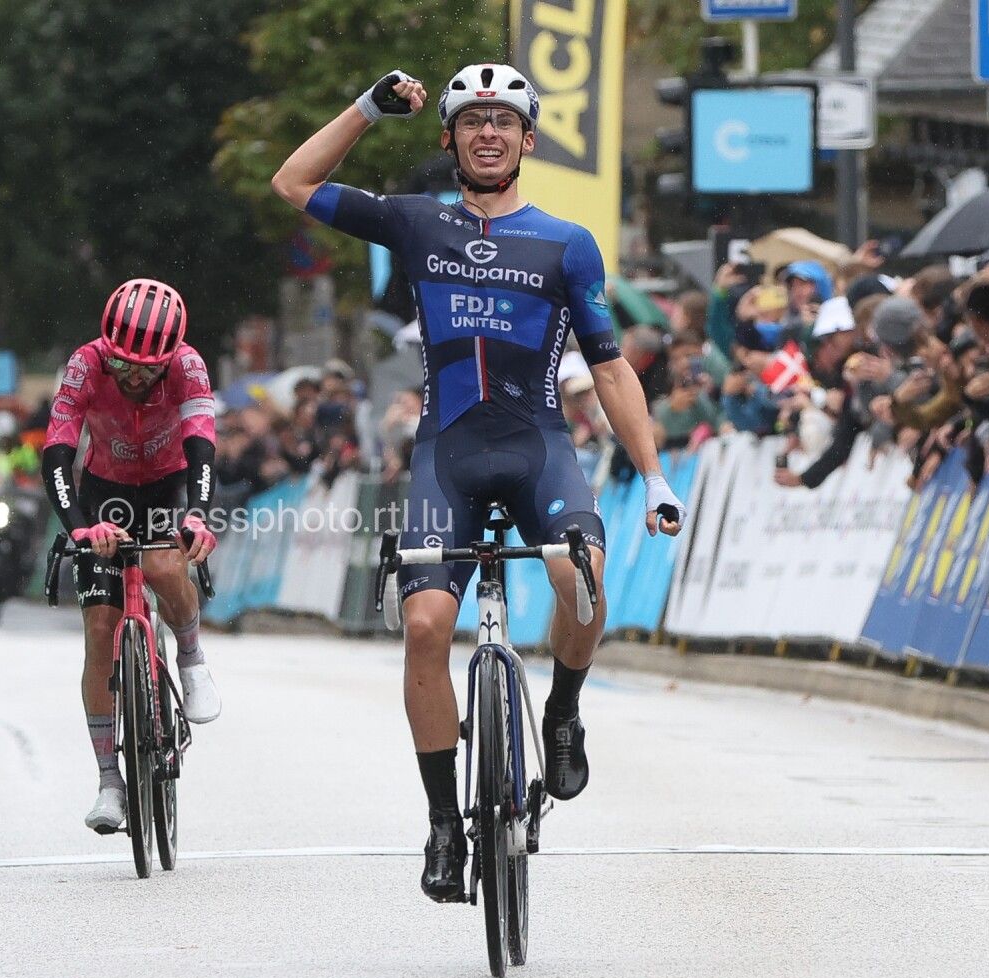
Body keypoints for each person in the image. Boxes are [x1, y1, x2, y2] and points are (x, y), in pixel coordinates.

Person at [271, 63, 685, 903]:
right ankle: (442, 825)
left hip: (537, 446)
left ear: (528, 140)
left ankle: (562, 712)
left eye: (503, 122)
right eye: (471, 121)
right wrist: (368, 106)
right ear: (449, 137)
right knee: (425, 626)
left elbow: (610, 369)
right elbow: (295, 182)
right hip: (447, 454)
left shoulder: (567, 243)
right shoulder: (417, 222)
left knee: (580, 578)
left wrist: (653, 475)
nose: (487, 133)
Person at [42, 278, 223, 834]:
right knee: (100, 629)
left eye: (149, 369)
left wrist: (198, 514)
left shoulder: (188, 365)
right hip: (105, 493)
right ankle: (109, 782)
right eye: (124, 365)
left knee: (166, 566)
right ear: (108, 349)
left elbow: (202, 442)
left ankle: (190, 656)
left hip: (168, 483)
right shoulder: (85, 364)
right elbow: (57, 449)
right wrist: (79, 528)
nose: (136, 378)